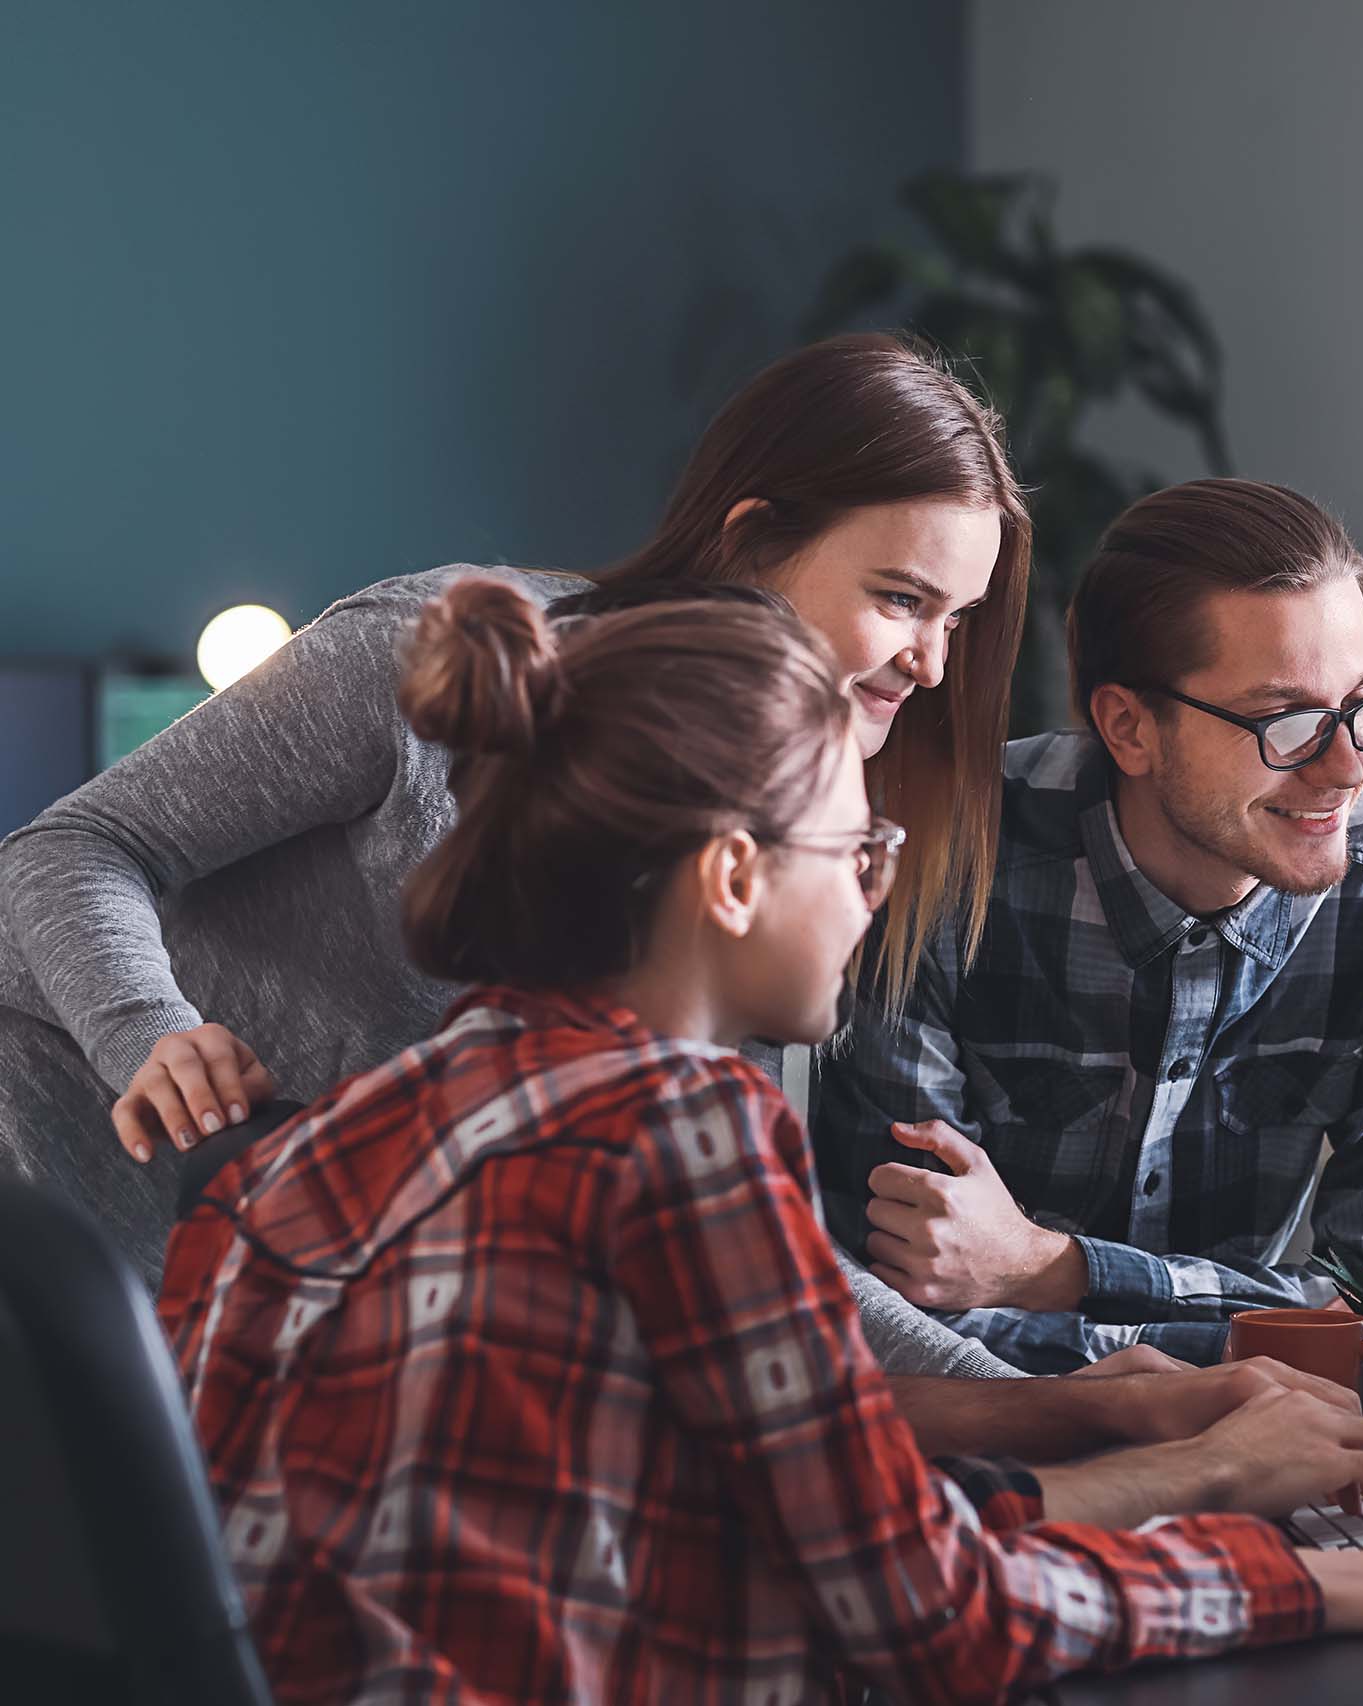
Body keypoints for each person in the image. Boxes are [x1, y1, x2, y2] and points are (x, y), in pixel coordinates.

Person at [157, 581, 1363, 1703]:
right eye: (858, 852)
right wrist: (1276, 1572)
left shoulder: (369, 1115)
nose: (882, 895)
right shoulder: (678, 1131)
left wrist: (1106, 1417)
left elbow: (839, 1515)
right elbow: (935, 1616)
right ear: (737, 876)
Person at [0, 337, 1021, 1381]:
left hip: (270, 1328)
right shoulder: (420, 655)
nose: (933, 663)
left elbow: (754, 1265)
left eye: (959, 619)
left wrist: (1046, 1395)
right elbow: (66, 847)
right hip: (54, 1214)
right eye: (901, 599)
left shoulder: (759, 842)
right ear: (753, 540)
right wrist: (150, 1035)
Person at [817, 479, 1363, 1368]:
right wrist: (1257, 1335)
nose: (1347, 767)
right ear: (1129, 728)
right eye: (1288, 721)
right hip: (992, 1447)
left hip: (1268, 1447)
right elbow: (907, 1308)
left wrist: (1054, 1269)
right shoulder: (947, 864)